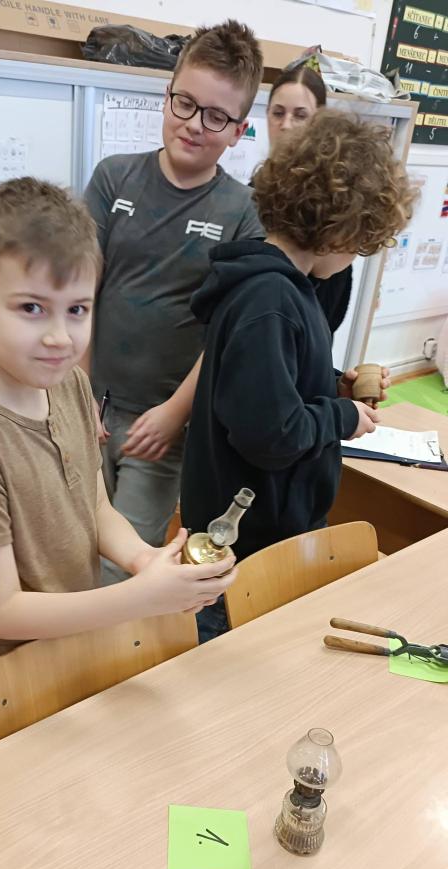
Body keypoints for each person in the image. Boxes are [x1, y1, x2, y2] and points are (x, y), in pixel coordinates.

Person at [0, 178, 237, 677]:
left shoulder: (71, 384)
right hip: (6, 676)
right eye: (31, 308)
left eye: (77, 310)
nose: (59, 337)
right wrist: (140, 598)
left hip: (74, 644)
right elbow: (2, 611)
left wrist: (143, 561)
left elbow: (95, 507)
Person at [180, 110, 417, 642]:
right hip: (248, 546)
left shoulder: (284, 288)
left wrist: (331, 384)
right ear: (340, 229)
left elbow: (270, 383)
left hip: (270, 532)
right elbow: (271, 435)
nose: (356, 255)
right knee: (230, 655)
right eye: (360, 242)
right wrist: (341, 417)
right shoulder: (269, 298)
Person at [83, 20, 264, 584]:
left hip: (163, 425)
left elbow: (227, 335)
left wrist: (174, 413)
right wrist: (77, 392)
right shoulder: (113, 178)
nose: (193, 124)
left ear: (238, 131)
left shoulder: (244, 213)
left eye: (216, 116)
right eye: (184, 103)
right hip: (90, 406)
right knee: (72, 544)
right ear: (167, 95)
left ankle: (110, 645)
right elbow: (79, 294)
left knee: (123, 567)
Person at [266, 63, 353, 337]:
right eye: (278, 113)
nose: (286, 125)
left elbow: (331, 313)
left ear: (319, 122)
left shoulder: (332, 207)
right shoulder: (250, 196)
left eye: (300, 115)